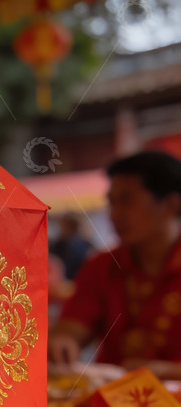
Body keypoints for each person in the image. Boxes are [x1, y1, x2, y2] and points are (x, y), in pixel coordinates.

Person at [48, 151, 181, 379]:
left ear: (170, 205)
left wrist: (165, 372)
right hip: (112, 404)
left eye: (127, 201)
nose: (115, 214)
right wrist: (62, 342)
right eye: (112, 202)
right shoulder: (102, 267)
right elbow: (71, 329)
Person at [49, 213, 92, 280]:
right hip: (75, 279)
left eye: (63, 225)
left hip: (70, 279)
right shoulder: (86, 243)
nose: (61, 228)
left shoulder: (80, 244)